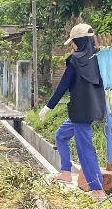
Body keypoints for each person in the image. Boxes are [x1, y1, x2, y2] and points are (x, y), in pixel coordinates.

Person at [39, 23, 107, 199]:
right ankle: (66, 172)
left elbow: (63, 86)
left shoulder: (76, 60)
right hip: (93, 109)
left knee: (85, 149)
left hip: (80, 112)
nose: (73, 45)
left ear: (80, 41)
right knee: (61, 135)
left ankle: (98, 189)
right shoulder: (100, 58)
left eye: (74, 42)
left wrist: (48, 106)